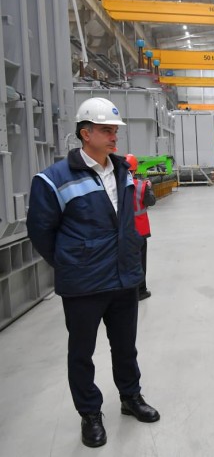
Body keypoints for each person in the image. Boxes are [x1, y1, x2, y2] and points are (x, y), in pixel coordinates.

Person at [26, 97, 160, 448]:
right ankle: (90, 413)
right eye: (106, 130)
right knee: (81, 353)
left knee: (125, 346)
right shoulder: (53, 179)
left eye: (115, 130)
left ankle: (130, 397)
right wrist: (71, 262)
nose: (114, 136)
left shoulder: (122, 171)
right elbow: (40, 231)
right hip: (84, 283)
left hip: (124, 277)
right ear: (85, 134)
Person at [125, 154, 156, 301]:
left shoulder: (115, 185)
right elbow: (151, 202)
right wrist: (149, 188)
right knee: (140, 260)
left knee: (126, 260)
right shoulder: (141, 185)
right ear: (135, 169)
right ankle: (141, 291)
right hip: (140, 229)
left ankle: (127, 290)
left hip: (123, 229)